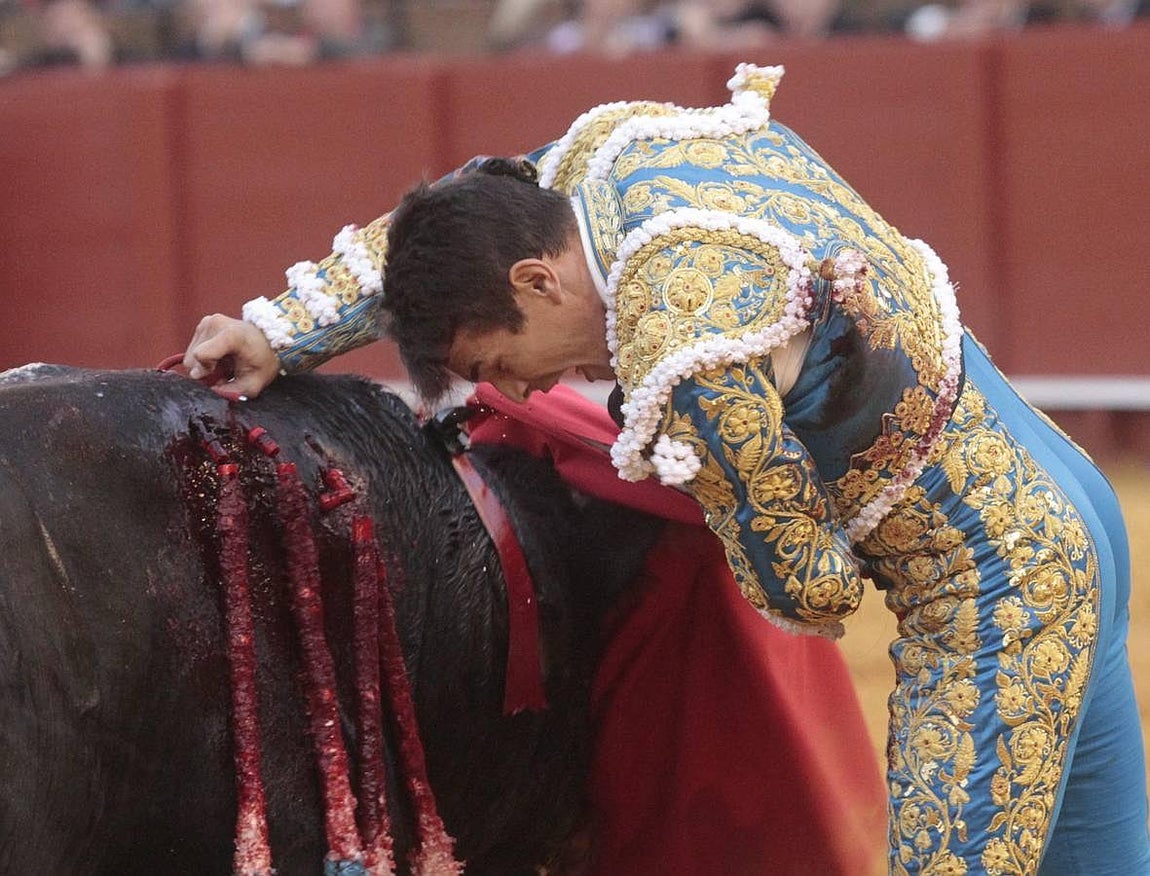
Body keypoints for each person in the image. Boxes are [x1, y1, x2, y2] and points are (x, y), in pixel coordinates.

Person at [184, 64, 1150, 872]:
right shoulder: (617, 151)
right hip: (1070, 500)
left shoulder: (677, 339)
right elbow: (444, 228)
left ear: (537, 283)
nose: (532, 388)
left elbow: (810, 592)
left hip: (995, 591)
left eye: (497, 364)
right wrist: (278, 330)